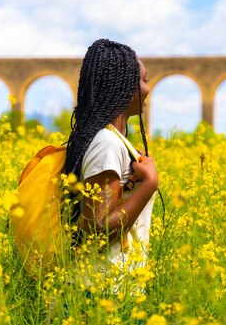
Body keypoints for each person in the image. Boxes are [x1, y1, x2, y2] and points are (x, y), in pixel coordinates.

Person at [61, 38, 159, 292]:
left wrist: (132, 185)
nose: (148, 89)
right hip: (100, 293)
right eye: (144, 81)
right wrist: (149, 184)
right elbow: (98, 229)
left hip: (110, 289)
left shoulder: (112, 141)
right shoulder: (106, 143)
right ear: (127, 87)